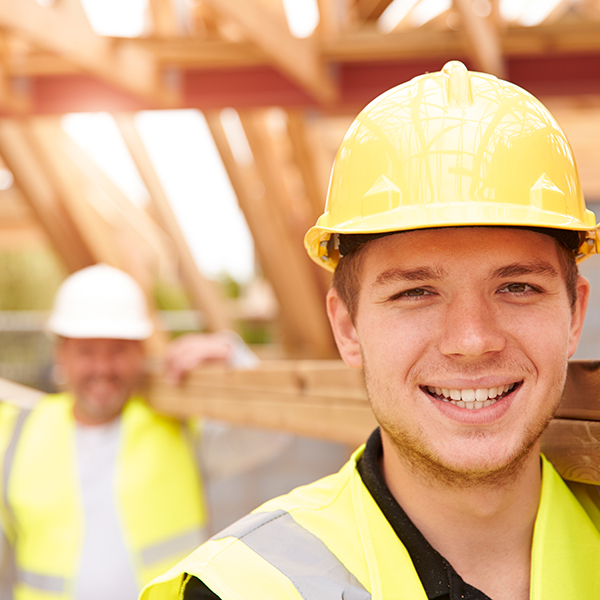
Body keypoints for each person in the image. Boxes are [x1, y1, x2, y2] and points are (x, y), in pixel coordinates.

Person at [140, 61, 600, 600]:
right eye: (415, 292)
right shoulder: (243, 588)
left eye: (517, 287)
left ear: (573, 317)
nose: (472, 340)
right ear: (347, 328)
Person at [0, 263, 281, 600]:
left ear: (140, 352)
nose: (102, 368)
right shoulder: (17, 434)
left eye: (117, 351)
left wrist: (234, 359)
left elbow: (270, 435)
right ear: (62, 353)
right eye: (86, 352)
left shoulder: (175, 425)